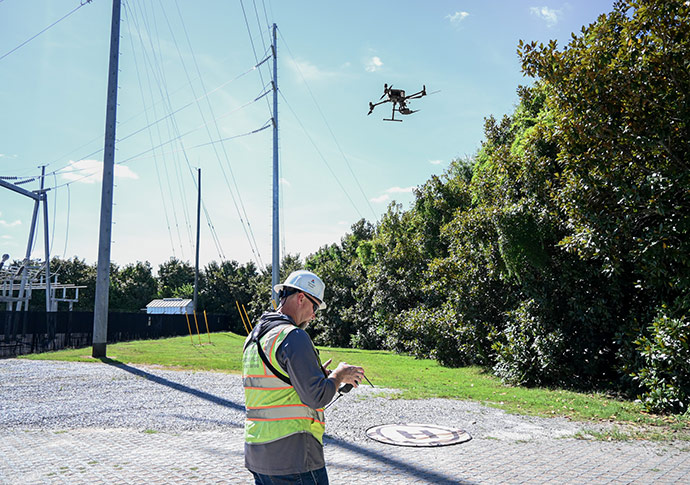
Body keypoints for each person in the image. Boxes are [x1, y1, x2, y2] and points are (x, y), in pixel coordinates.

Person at [242, 270, 365, 485]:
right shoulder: (293, 336)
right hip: (294, 457)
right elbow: (316, 397)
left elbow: (277, 383)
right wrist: (339, 375)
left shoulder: (254, 337)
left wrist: (318, 376)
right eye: (315, 306)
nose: (314, 315)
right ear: (301, 298)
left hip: (258, 454)